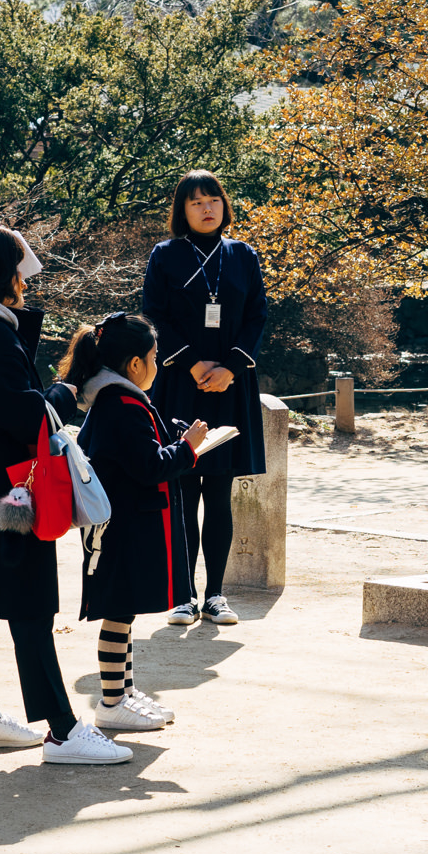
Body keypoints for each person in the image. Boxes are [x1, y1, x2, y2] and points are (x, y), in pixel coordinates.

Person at [0, 222, 132, 765]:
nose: (24, 279)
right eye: (18, 269)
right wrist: (62, 391)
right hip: (9, 492)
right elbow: (20, 415)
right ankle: (63, 730)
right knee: (31, 605)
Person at [61, 313, 206, 732]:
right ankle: (111, 701)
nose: (158, 364)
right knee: (118, 613)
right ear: (136, 364)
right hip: (121, 528)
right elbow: (148, 466)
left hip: (120, 523)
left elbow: (137, 451)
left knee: (122, 614)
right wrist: (189, 449)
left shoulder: (114, 398)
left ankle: (123, 692)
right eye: (155, 356)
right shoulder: (122, 403)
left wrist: (179, 439)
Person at [141, 170, 267, 627]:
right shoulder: (166, 254)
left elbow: (257, 314)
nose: (206, 208)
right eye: (195, 202)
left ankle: (215, 594)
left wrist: (230, 367)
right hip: (179, 380)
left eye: (212, 199)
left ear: (223, 204)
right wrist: (194, 364)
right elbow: (153, 313)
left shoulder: (242, 255)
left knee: (219, 492)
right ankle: (182, 594)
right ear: (183, 210)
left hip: (231, 385)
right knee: (180, 490)